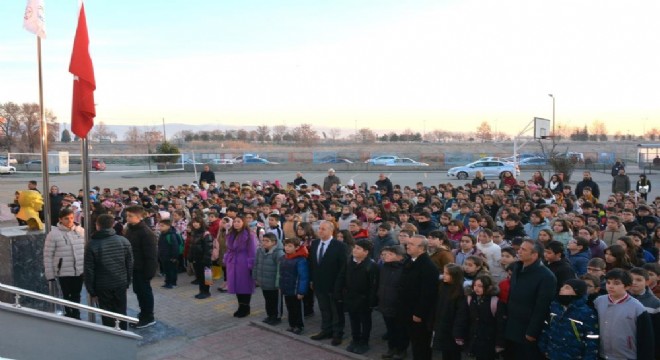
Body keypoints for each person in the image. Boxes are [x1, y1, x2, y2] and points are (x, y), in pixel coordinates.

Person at [504, 240, 557, 360]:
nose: (519, 251)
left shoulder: (546, 276)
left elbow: (542, 307)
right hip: (511, 324)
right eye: (520, 248)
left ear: (534, 255)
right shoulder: (517, 268)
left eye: (524, 250)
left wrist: (532, 331)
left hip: (527, 329)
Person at [84, 214, 133, 330]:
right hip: (120, 282)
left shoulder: (92, 244)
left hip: (102, 286)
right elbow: (130, 264)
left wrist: (91, 290)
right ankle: (123, 334)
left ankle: (111, 337)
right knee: (121, 311)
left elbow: (89, 269)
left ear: (97, 225)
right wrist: (127, 281)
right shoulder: (123, 241)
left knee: (107, 315)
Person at [594, 269, 655, 360]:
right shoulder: (598, 301)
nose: (611, 286)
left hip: (626, 356)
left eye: (616, 283)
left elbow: (646, 338)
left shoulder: (637, 307)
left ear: (627, 286)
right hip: (602, 355)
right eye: (608, 282)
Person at [399, 235, 439, 360]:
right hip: (407, 308)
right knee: (414, 341)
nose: (407, 245)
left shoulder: (428, 267)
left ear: (421, 248)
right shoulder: (409, 260)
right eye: (408, 243)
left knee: (421, 344)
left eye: (411, 244)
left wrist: (419, 313)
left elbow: (428, 293)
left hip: (418, 314)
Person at [538, 279, 599, 360]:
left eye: (567, 288)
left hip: (573, 356)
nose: (562, 289)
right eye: (562, 286)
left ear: (577, 291)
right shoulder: (554, 306)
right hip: (552, 354)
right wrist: (543, 348)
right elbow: (546, 328)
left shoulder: (586, 313)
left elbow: (592, 339)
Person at [309, 221, 348, 346]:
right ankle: (326, 330)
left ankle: (337, 334)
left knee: (336, 311)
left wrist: (340, 286)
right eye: (319, 228)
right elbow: (312, 264)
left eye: (323, 229)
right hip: (319, 284)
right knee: (324, 309)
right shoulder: (314, 244)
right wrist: (312, 280)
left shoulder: (340, 246)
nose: (320, 231)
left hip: (334, 285)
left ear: (331, 231)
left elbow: (343, 268)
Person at [43, 207, 85, 319]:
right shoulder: (53, 234)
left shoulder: (80, 231)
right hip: (64, 271)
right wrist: (50, 275)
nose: (70, 220)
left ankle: (76, 315)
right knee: (67, 295)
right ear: (60, 219)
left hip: (79, 271)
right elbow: (48, 255)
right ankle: (69, 313)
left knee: (76, 295)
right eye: (66, 218)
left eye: (71, 218)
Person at [123, 205, 159, 329]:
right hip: (134, 268)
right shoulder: (131, 229)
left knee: (144, 293)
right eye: (127, 215)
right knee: (139, 292)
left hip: (142, 270)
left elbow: (151, 255)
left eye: (130, 216)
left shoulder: (145, 233)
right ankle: (143, 313)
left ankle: (148, 317)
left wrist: (149, 273)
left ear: (139, 217)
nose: (127, 218)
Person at [342, 239, 378, 354]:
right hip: (351, 297)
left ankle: (364, 342)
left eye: (358, 248)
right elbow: (344, 278)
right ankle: (355, 339)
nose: (354, 250)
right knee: (353, 320)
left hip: (364, 299)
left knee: (365, 321)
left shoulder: (371, 265)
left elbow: (374, 286)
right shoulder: (350, 262)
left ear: (366, 252)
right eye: (355, 247)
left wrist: (371, 302)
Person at [465, 274, 507, 360]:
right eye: (475, 285)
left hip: (489, 340)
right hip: (475, 338)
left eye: (480, 286)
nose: (476, 288)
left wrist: (499, 343)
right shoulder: (471, 299)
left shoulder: (495, 301)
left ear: (488, 287)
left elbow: (500, 325)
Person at [377, 245, 408, 360]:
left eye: (390, 254)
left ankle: (401, 350)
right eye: (386, 254)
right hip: (385, 303)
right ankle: (392, 348)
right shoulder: (384, 267)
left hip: (397, 305)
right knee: (390, 329)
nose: (386, 256)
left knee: (400, 329)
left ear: (399, 257)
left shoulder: (404, 268)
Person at [225, 216, 258, 318]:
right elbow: (229, 249)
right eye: (235, 221)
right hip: (233, 263)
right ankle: (240, 307)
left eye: (239, 221)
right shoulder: (231, 234)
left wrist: (251, 265)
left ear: (244, 223)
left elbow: (252, 251)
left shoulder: (249, 235)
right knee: (236, 287)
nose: (236, 223)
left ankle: (246, 308)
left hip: (243, 263)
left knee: (245, 287)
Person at [433, 263, 468, 360]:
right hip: (442, 325)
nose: (444, 275)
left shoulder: (460, 291)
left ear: (454, 276)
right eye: (444, 272)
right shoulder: (442, 286)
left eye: (447, 273)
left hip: (452, 328)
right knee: (445, 352)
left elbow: (461, 314)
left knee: (454, 353)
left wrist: (457, 331)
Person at [279, 237, 309, 335]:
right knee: (289, 307)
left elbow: (303, 277)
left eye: (290, 246)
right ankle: (292, 325)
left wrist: (301, 291)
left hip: (296, 290)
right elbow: (281, 273)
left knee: (297, 308)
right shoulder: (284, 258)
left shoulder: (301, 260)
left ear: (296, 247)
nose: (287, 248)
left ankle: (299, 326)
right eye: (286, 245)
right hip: (286, 288)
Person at [253, 233, 284, 324]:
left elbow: (280, 270)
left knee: (275, 301)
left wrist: (278, 283)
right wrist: (255, 277)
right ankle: (270, 315)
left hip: (274, 283)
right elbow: (256, 264)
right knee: (268, 300)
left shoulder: (278, 253)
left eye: (267, 241)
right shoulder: (260, 251)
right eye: (263, 240)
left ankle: (276, 317)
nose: (264, 243)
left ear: (274, 243)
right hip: (264, 282)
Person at [188, 217, 213, 299]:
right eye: (193, 222)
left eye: (197, 222)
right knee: (199, 276)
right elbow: (191, 246)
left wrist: (206, 260)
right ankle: (202, 291)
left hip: (205, 260)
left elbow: (208, 248)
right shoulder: (194, 233)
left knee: (207, 277)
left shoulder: (206, 234)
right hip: (197, 259)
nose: (195, 224)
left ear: (201, 223)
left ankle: (207, 292)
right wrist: (190, 257)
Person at [157, 219, 182, 289]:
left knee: (172, 270)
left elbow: (175, 247)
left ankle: (173, 283)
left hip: (170, 257)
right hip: (164, 256)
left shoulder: (171, 235)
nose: (160, 227)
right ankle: (167, 282)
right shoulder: (162, 234)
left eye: (162, 226)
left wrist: (174, 257)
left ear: (168, 226)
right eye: (160, 225)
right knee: (166, 270)